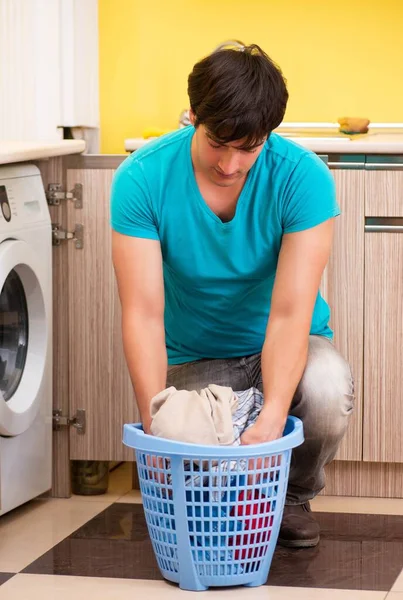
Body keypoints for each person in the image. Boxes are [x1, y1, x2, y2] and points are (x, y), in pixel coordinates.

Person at [110, 42, 354, 548]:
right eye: (219, 142)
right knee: (203, 474)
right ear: (193, 116)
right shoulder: (142, 178)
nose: (230, 163)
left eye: (249, 147)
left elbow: (290, 314)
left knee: (328, 388)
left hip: (286, 344)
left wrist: (270, 421)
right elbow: (143, 314)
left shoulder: (302, 177)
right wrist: (156, 423)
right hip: (198, 354)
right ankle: (238, 502)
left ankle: (290, 497)